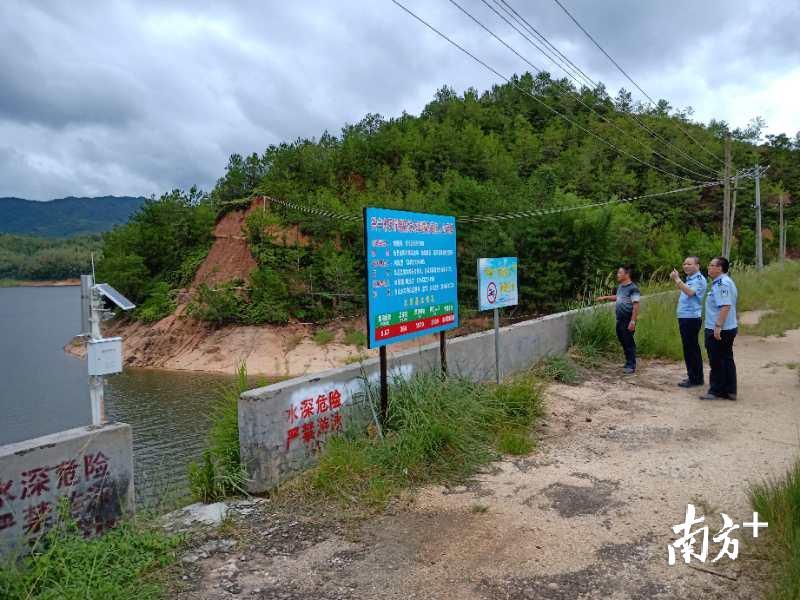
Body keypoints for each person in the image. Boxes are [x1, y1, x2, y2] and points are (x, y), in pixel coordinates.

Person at [700, 256, 738, 400]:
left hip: (720, 328)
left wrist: (717, 326)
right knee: (726, 358)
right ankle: (729, 390)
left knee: (716, 359)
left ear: (719, 268)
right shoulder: (725, 282)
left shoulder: (722, 283)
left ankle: (715, 390)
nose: (708, 267)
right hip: (728, 326)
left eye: (711, 265)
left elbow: (725, 306)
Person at [670, 257, 707, 388]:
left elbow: (690, 292)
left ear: (697, 265)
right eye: (684, 264)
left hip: (691, 318)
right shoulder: (690, 279)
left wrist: (676, 279)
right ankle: (693, 375)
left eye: (689, 264)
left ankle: (696, 378)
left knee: (691, 348)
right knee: (688, 348)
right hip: (685, 317)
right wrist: (679, 280)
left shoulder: (699, 280)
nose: (686, 266)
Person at [596, 266, 641, 374]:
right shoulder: (621, 286)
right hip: (619, 319)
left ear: (627, 274)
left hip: (628, 318)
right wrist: (605, 297)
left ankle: (631, 365)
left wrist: (633, 321)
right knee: (623, 340)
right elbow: (618, 297)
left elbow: (636, 305)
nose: (617, 275)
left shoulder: (633, 288)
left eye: (620, 273)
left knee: (628, 341)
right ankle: (628, 361)